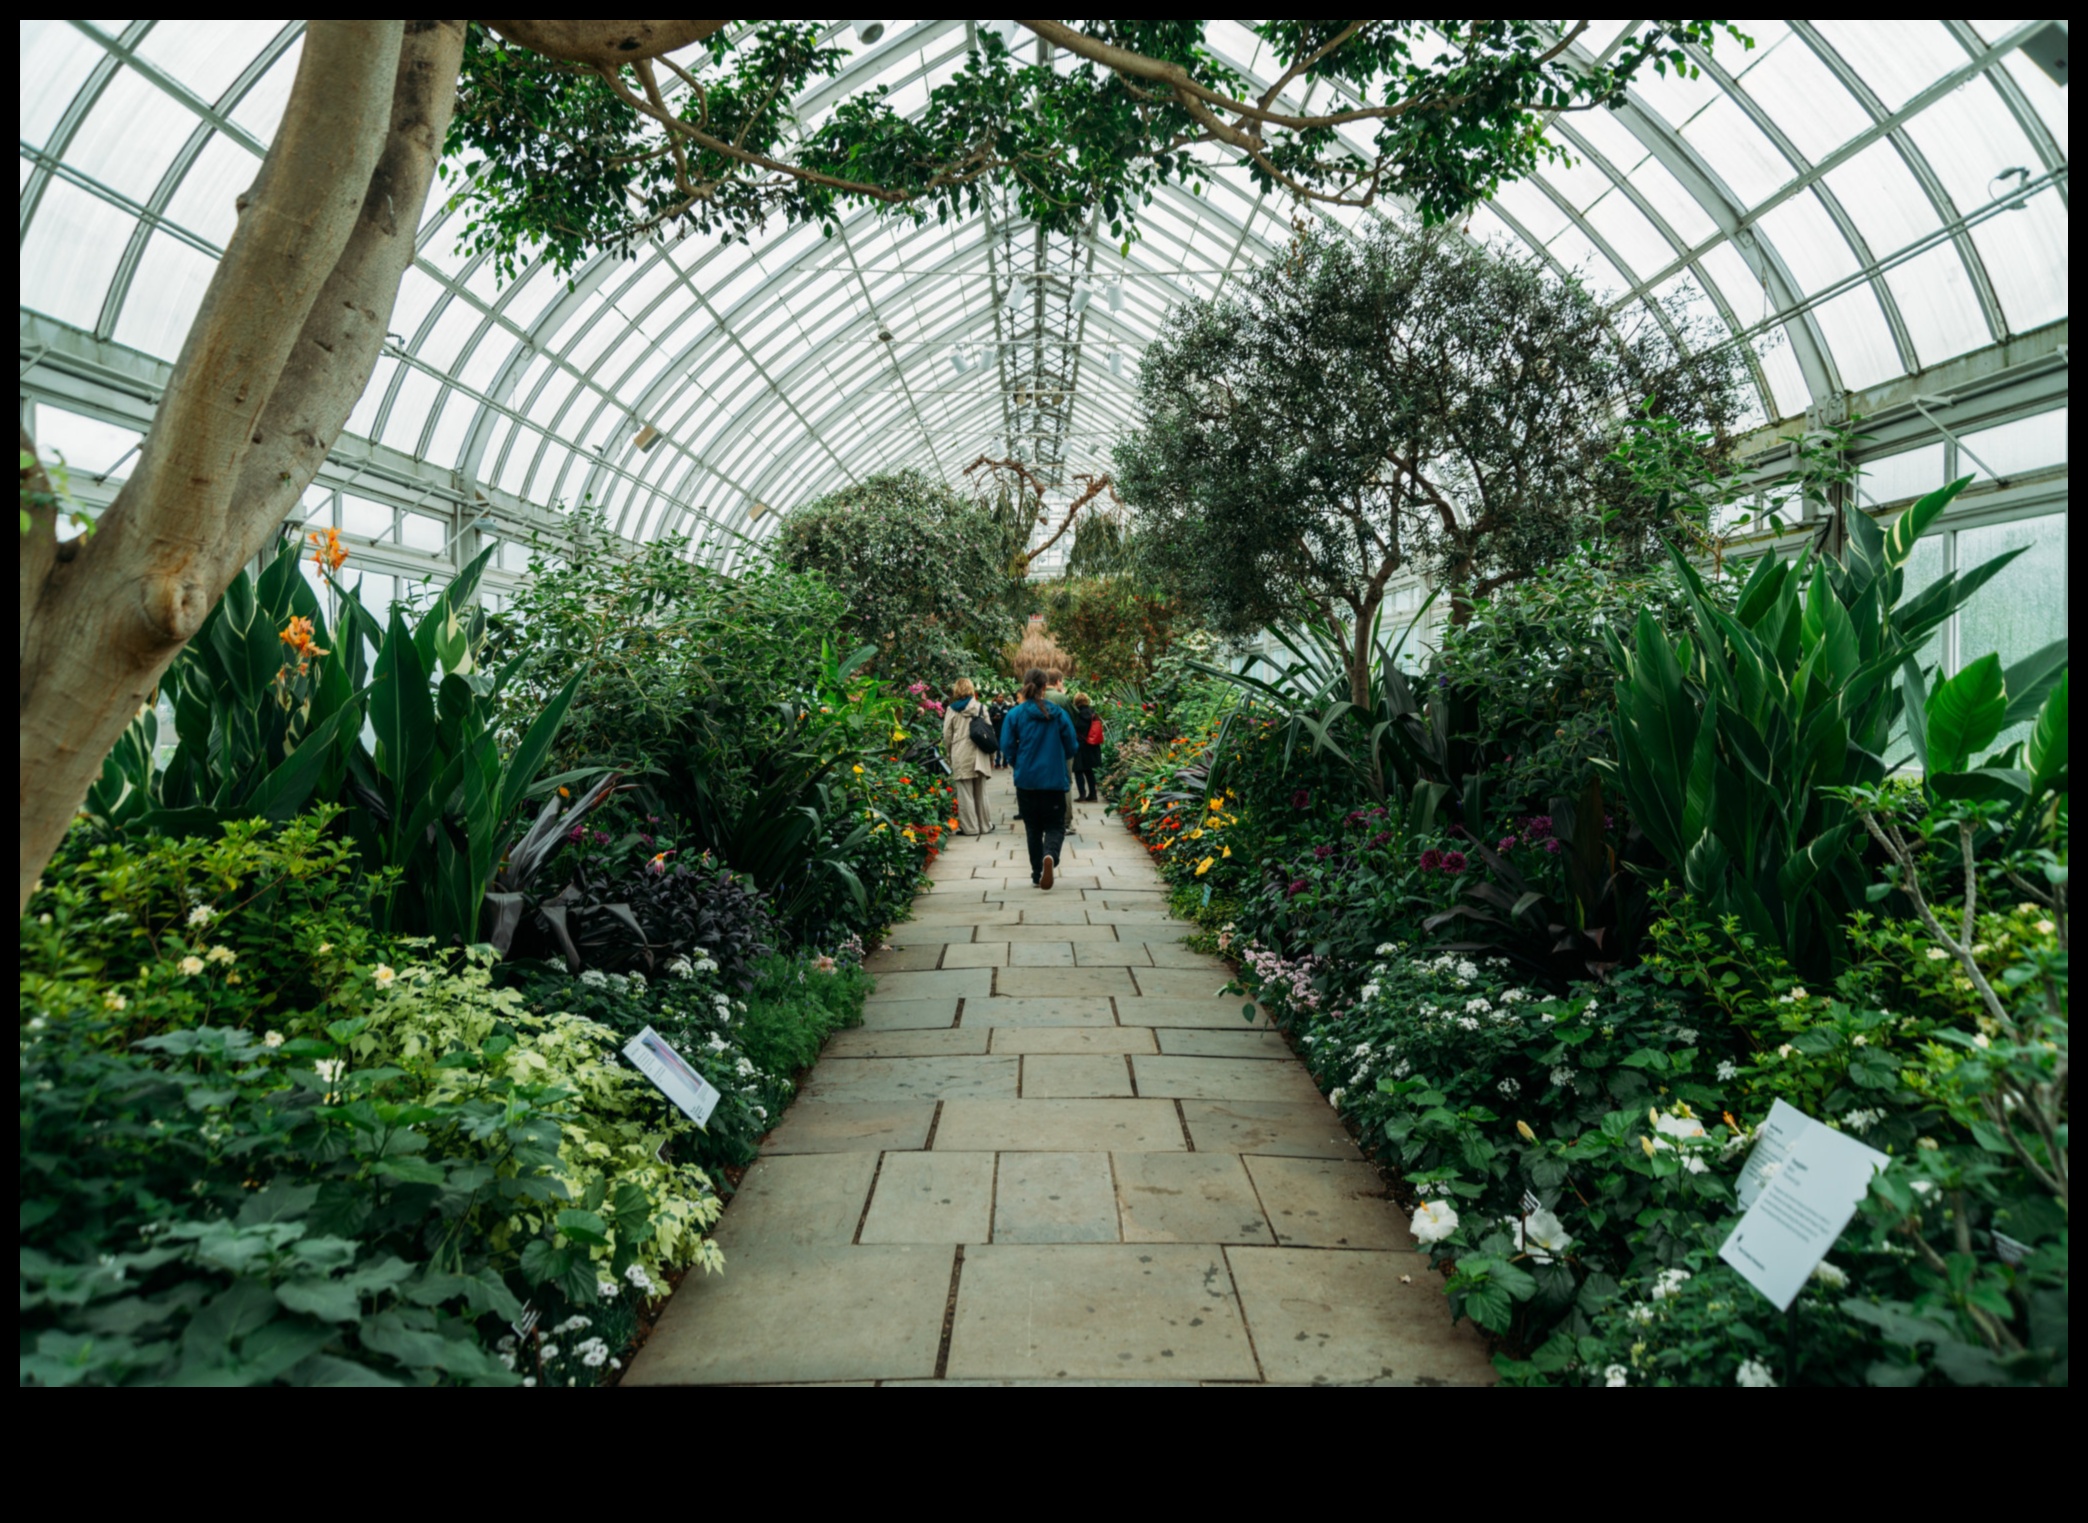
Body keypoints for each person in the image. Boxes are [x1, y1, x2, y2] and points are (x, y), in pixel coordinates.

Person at [999, 665, 1079, 889]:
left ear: (1026, 685)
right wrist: (1059, 758)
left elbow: (1006, 745)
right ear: (1045, 687)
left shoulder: (1015, 714)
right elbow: (1072, 745)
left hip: (1027, 782)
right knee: (1055, 826)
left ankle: (1037, 873)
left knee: (1032, 828)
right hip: (1053, 781)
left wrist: (1018, 763)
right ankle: (1050, 855)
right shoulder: (1059, 714)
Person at [941, 677, 993, 835]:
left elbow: (947, 735)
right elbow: (990, 732)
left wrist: (949, 753)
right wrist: (991, 756)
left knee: (965, 793)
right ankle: (985, 825)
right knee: (981, 792)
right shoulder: (981, 707)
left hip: (961, 753)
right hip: (979, 754)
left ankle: (970, 828)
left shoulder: (952, 710)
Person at [1070, 692, 1102, 803]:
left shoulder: (1077, 714)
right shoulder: (1093, 713)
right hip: (1092, 744)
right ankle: (1093, 794)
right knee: (1089, 770)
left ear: (1076, 702)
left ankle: (1082, 795)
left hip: (1080, 744)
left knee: (1078, 770)